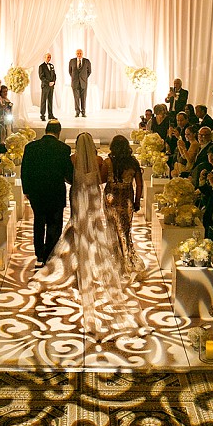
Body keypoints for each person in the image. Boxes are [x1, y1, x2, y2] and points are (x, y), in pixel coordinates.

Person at [35, 133, 143, 335]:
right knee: (93, 226)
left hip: (77, 194)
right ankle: (94, 260)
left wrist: (78, 182)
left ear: (77, 144)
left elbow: (68, 177)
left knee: (77, 225)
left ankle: (75, 262)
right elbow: (101, 180)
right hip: (93, 196)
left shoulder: (72, 159)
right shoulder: (100, 160)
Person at [20, 119, 74, 267]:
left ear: (45, 130)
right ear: (59, 132)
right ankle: (50, 254)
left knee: (39, 222)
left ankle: (39, 254)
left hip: (36, 192)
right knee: (54, 224)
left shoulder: (31, 147)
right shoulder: (63, 149)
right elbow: (67, 173)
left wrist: (27, 190)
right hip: (55, 191)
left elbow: (25, 171)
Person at [100, 135, 144, 278]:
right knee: (125, 230)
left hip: (110, 198)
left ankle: (114, 259)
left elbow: (101, 179)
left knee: (111, 227)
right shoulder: (133, 163)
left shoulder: (108, 162)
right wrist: (137, 201)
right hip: (126, 198)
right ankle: (125, 258)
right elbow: (139, 184)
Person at [68, 49, 92, 117]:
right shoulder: (72, 61)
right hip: (75, 83)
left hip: (83, 83)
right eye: (78, 53)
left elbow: (89, 71)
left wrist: (83, 78)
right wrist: (74, 78)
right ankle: (77, 112)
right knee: (76, 98)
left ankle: (83, 112)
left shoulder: (87, 61)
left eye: (80, 53)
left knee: (83, 98)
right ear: (76, 54)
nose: (79, 54)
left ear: (82, 54)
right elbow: (70, 71)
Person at [38, 52, 56, 121]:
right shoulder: (41, 66)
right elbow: (41, 76)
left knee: (50, 100)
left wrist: (53, 82)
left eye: (50, 57)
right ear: (44, 58)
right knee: (43, 101)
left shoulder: (51, 65)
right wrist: (48, 82)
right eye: (48, 57)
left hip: (51, 86)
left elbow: (54, 75)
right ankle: (42, 115)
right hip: (45, 86)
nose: (49, 58)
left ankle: (50, 115)